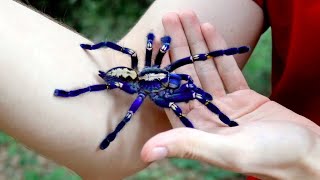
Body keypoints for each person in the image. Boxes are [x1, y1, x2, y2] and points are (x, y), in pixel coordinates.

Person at [0, 0, 319, 179]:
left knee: (187, 92)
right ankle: (74, 93)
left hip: (141, 76)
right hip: (135, 77)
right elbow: (121, 112)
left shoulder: (160, 80)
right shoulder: (152, 84)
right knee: (178, 94)